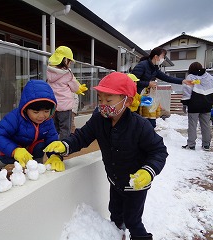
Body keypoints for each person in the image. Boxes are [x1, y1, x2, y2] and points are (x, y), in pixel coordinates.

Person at [43, 72, 168, 240]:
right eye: (100, 99)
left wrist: (148, 171)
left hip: (136, 185)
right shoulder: (98, 120)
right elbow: (82, 137)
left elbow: (159, 151)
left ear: (127, 101)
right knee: (115, 216)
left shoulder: (140, 126)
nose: (103, 105)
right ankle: (118, 235)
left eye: (109, 100)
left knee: (133, 220)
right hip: (115, 182)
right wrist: (65, 145)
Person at [0, 80, 61, 182]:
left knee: (40, 146)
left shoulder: (47, 121)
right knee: (6, 154)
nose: (41, 116)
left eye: (46, 111)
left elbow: (52, 140)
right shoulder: (14, 117)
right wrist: (14, 150)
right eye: (36, 112)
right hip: (15, 146)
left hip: (31, 147)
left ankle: (35, 165)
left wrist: (54, 156)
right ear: (26, 108)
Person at [46, 46, 87, 140]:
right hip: (65, 107)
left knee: (54, 128)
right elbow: (75, 87)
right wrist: (79, 88)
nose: (70, 64)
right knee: (65, 129)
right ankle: (64, 147)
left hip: (53, 106)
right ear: (65, 60)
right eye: (70, 61)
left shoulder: (50, 72)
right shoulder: (67, 73)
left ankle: (54, 146)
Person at [181, 62, 213, 151]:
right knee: (206, 125)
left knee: (192, 125)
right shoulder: (209, 77)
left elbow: (187, 91)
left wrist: (184, 103)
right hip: (207, 104)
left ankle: (191, 145)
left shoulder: (190, 77)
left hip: (194, 104)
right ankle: (206, 145)